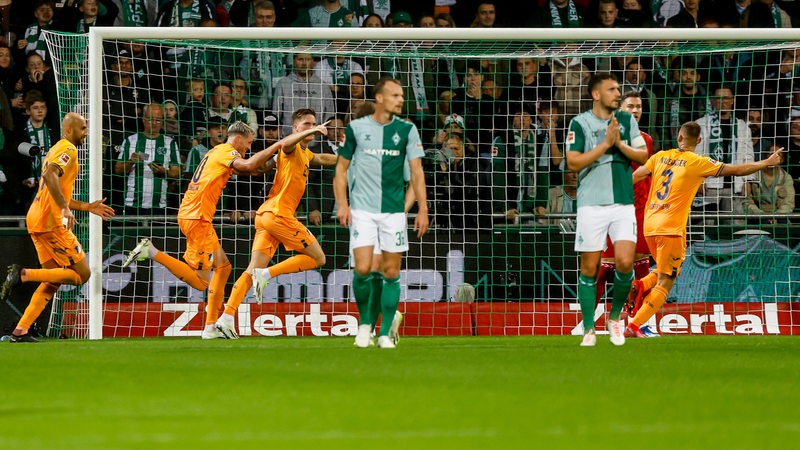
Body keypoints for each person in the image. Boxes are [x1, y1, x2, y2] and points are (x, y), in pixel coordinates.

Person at [625, 122, 784, 338]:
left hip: (650, 224)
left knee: (669, 270)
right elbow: (736, 170)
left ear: (679, 137)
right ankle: (634, 326)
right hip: (671, 227)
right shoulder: (697, 162)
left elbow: (635, 176)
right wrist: (766, 162)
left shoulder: (659, 156)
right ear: (699, 141)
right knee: (667, 280)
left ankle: (641, 284)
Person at [121, 121, 276, 340]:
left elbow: (255, 169)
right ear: (238, 139)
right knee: (202, 281)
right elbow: (249, 166)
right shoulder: (227, 151)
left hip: (195, 215)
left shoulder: (218, 151)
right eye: (249, 143)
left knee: (223, 267)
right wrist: (277, 146)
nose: (249, 148)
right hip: (197, 218)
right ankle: (151, 251)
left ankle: (211, 327)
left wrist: (276, 160)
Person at [214, 109, 336, 338]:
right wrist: (312, 131)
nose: (312, 126)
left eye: (314, 123)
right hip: (279, 214)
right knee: (318, 258)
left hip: (266, 215)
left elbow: (322, 159)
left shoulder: (305, 153)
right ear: (295, 128)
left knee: (251, 270)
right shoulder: (290, 148)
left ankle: (226, 318)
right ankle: (268, 275)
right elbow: (286, 144)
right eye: (306, 124)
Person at [1, 112, 115, 342]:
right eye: (83, 128)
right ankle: (23, 274)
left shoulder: (55, 149)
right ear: (69, 130)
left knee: (53, 279)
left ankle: (20, 331)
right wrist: (64, 209)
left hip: (37, 218)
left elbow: (56, 189)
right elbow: (50, 174)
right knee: (82, 274)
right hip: (52, 222)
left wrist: (86, 206)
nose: (86, 133)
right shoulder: (68, 150)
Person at [333, 77, 429, 349]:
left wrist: (419, 209)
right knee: (363, 268)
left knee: (389, 270)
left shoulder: (407, 130)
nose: (401, 99)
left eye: (402, 95)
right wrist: (343, 204)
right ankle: (365, 325)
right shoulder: (355, 130)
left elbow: (417, 176)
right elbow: (339, 169)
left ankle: (384, 332)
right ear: (379, 98)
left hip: (392, 213)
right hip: (362, 211)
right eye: (395, 95)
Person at [565, 73, 648, 347]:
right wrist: (604, 145)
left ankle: (614, 319)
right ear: (596, 94)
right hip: (591, 204)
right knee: (589, 268)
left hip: (623, 203)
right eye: (611, 89)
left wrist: (619, 144)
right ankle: (589, 327)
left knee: (626, 263)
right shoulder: (579, 123)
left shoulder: (626, 122)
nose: (617, 93)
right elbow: (573, 163)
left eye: (618, 89)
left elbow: (643, 155)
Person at [596, 91, 654, 314]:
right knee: (604, 268)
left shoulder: (646, 140)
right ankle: (587, 322)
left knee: (642, 269)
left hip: (640, 210)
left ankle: (639, 320)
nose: (636, 110)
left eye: (638, 106)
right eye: (630, 106)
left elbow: (645, 174)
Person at [694, 85, 755, 225]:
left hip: (734, 186)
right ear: (713, 101)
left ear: (732, 100)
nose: (723, 101)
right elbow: (696, 157)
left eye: (727, 98)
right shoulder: (701, 124)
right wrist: (698, 180)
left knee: (736, 228)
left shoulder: (742, 127)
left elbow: (748, 156)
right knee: (705, 226)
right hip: (710, 186)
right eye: (719, 98)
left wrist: (748, 180)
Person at [114, 103, 182, 215]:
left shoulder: (170, 143)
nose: (154, 123)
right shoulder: (131, 141)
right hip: (132, 206)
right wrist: (131, 162)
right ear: (143, 120)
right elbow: (118, 170)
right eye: (150, 119)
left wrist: (163, 172)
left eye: (158, 120)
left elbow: (177, 172)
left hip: (160, 206)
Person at [742, 145, 794, 224]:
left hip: (780, 217)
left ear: (782, 160)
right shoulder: (753, 175)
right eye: (770, 154)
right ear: (765, 156)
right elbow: (746, 201)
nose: (774, 157)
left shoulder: (786, 177)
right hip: (757, 216)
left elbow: (788, 203)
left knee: (783, 223)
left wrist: (776, 217)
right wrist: (762, 216)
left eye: (778, 155)